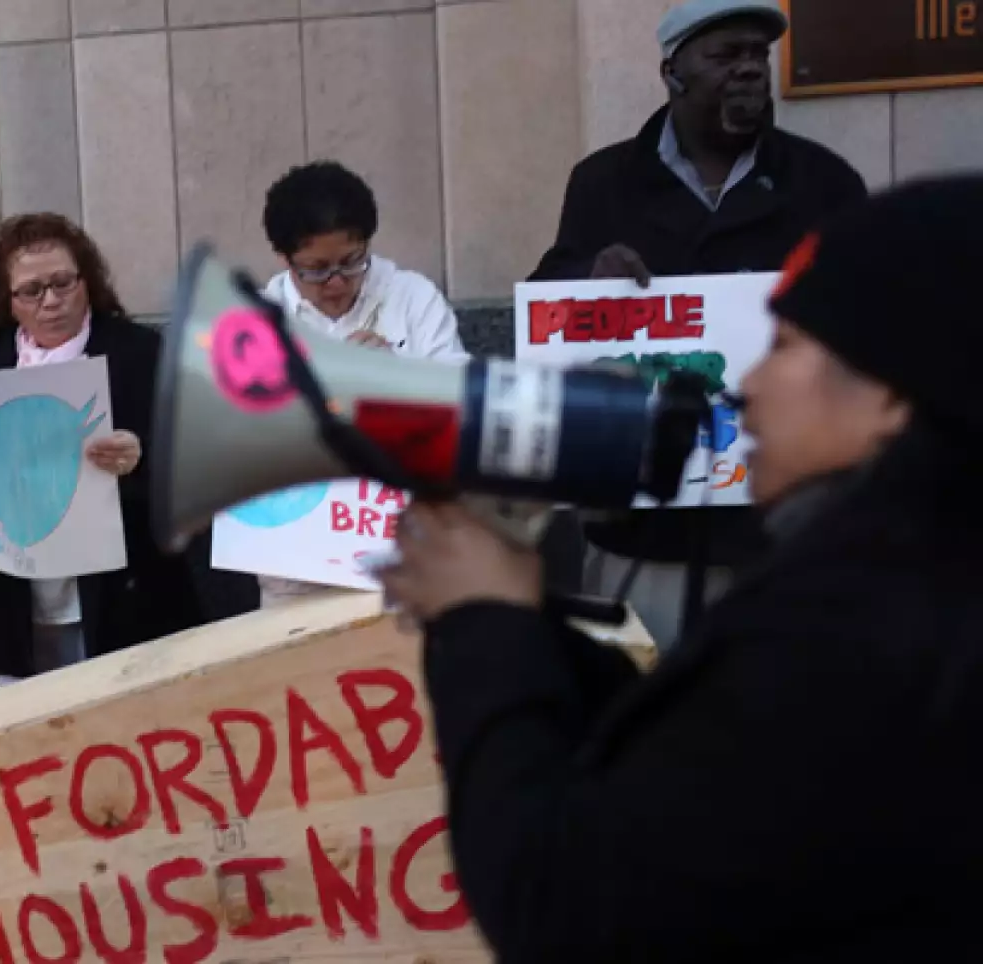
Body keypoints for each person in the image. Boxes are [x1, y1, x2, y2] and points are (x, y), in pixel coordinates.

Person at [380, 176, 983, 960]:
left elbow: (561, 906)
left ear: (891, 396)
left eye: (789, 347)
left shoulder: (852, 633)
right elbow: (695, 784)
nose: (750, 384)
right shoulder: (901, 591)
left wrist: (481, 626)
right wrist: (527, 621)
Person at [529, 0, 868, 646]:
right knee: (641, 726)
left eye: (756, 56)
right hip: (644, 539)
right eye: (724, 56)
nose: (747, 71)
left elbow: (872, 324)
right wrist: (586, 286)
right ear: (673, 72)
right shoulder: (603, 184)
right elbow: (548, 318)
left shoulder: (823, 181)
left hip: (784, 536)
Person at [0, 213, 214, 683]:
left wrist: (141, 456)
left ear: (87, 282)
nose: (51, 302)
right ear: (8, 301)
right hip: (11, 597)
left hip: (122, 594)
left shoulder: (138, 353)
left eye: (63, 283)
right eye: (31, 290)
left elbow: (195, 465)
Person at [254, 160, 468, 609]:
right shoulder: (257, 318)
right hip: (296, 556)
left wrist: (394, 375)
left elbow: (463, 403)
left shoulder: (412, 297)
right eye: (315, 269)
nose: (335, 282)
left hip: (402, 543)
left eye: (351, 263)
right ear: (283, 258)